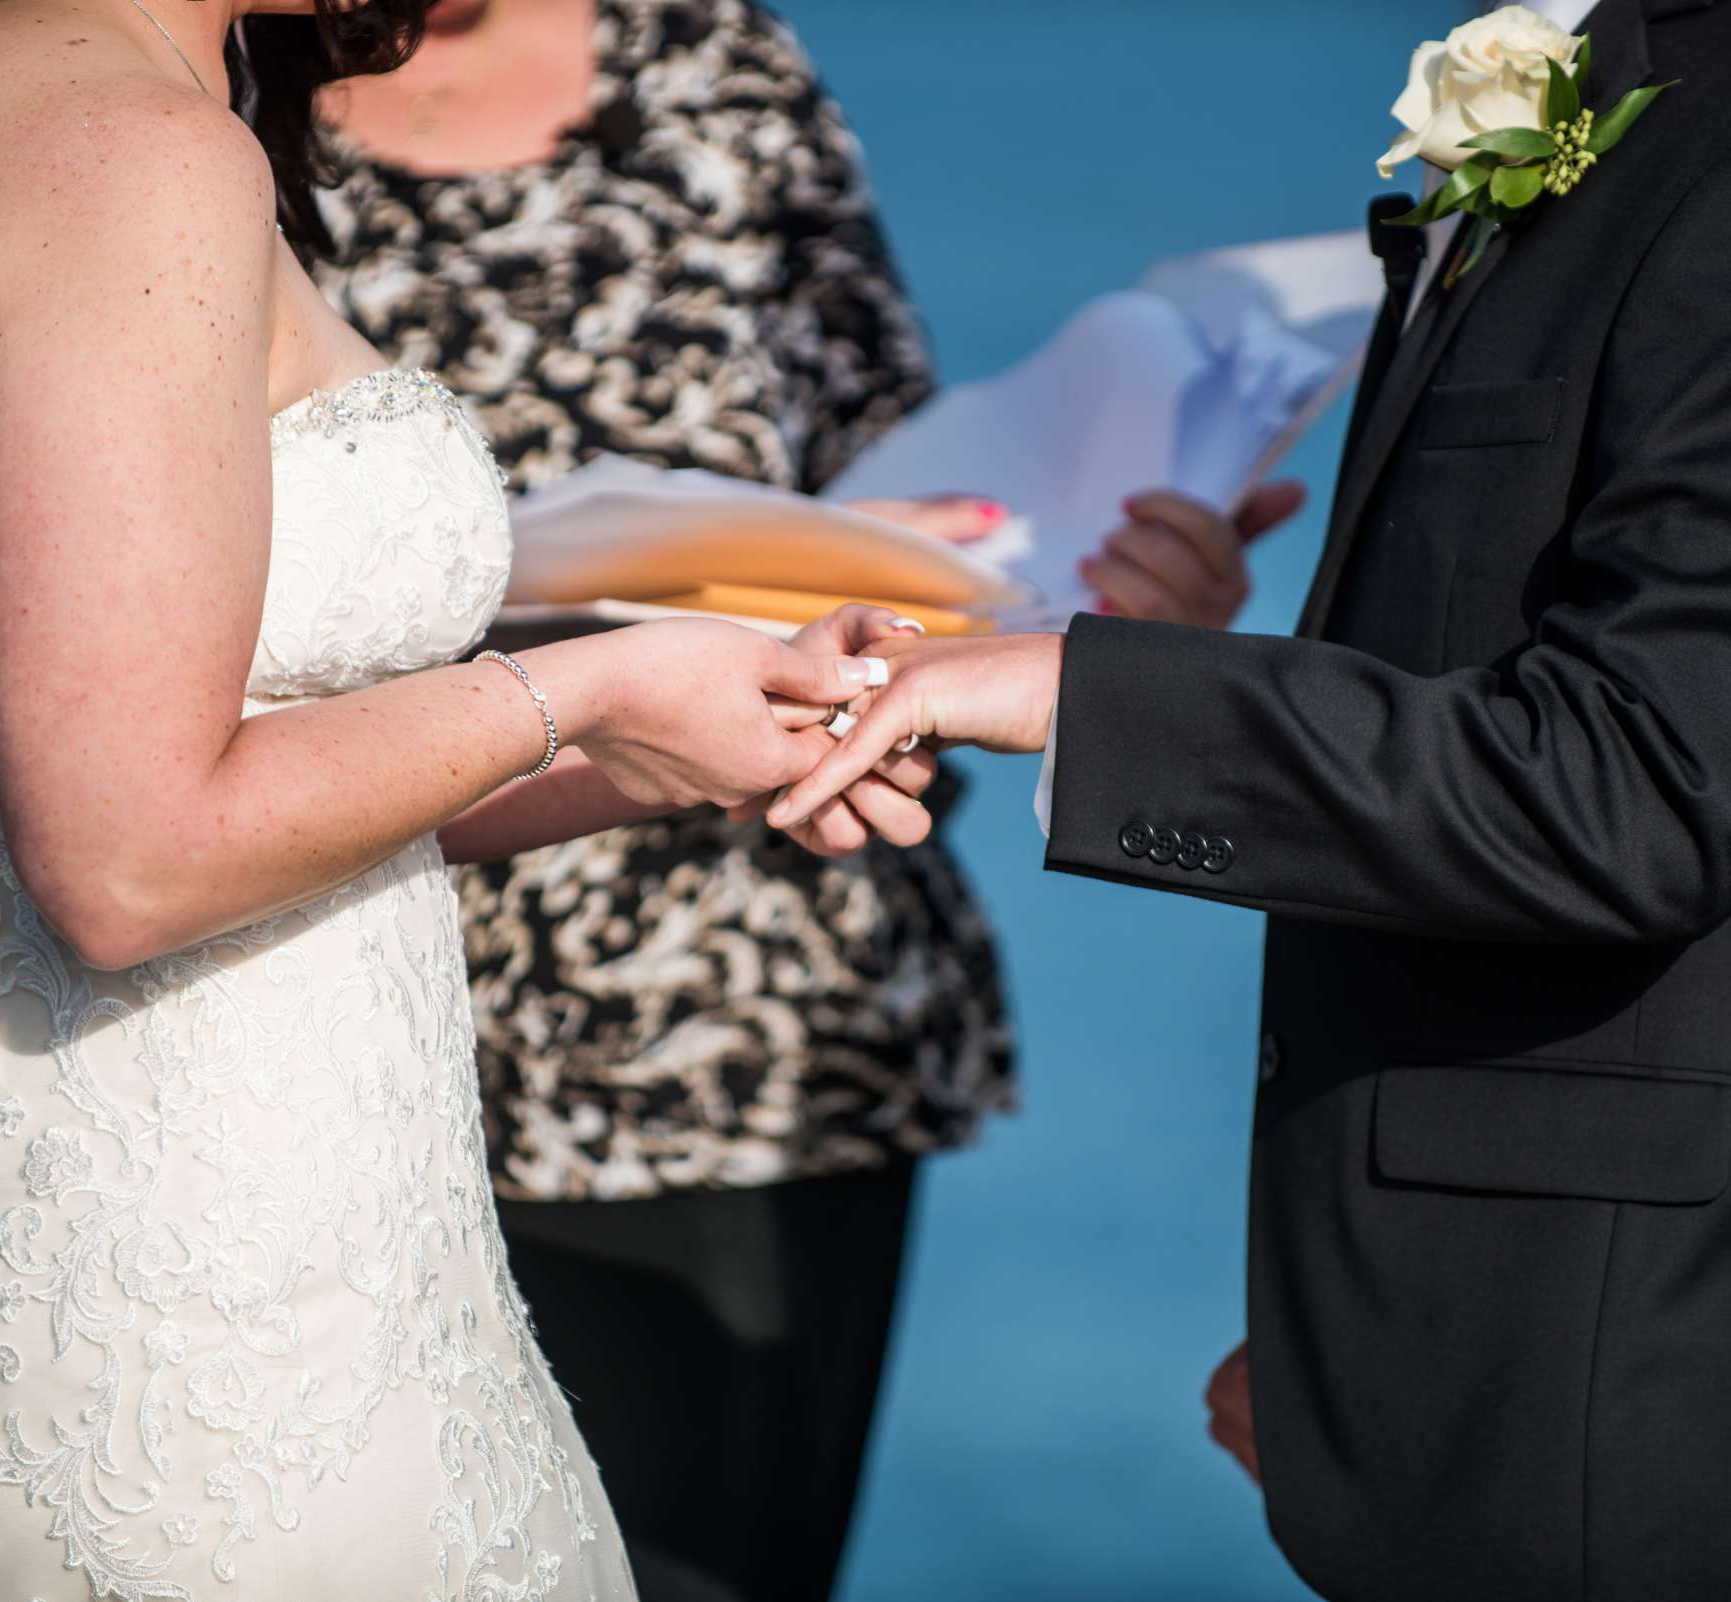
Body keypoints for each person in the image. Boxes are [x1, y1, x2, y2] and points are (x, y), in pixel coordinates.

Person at [0, 0, 937, 1595]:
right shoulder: (131, 151)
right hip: (203, 1346)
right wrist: (585, 683)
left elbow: (199, 749)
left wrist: (647, 738)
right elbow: (127, 855)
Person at [771, 0, 1731, 1596]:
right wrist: (1363, 1317)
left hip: (1674, 1390)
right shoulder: (1690, 82)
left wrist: (1075, 690)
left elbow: (1641, 784)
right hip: (1532, 1338)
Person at [310, 4, 1300, 1595]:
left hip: (757, 1032)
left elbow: (909, 497)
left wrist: (1094, 613)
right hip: (330, 1014)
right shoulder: (194, 93)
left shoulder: (707, 54)